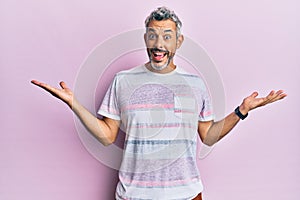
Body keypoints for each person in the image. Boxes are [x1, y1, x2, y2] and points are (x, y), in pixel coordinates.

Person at [31, 7, 286, 200]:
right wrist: (75, 104)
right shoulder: (123, 81)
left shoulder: (195, 84)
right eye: (152, 36)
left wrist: (241, 111)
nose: (159, 44)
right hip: (134, 196)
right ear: (145, 40)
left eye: (167, 36)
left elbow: (208, 136)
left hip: (187, 195)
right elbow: (107, 135)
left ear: (179, 41)